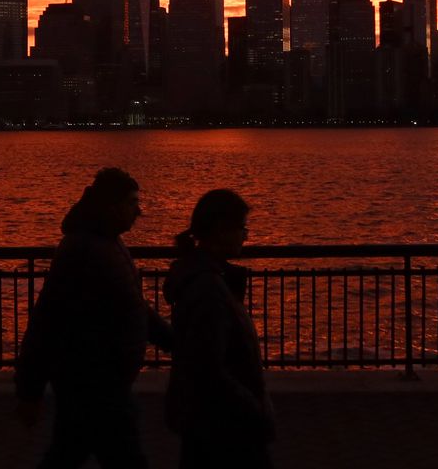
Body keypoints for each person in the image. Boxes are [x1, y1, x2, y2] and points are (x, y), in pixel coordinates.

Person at [15, 167, 173, 469]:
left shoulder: (106, 244)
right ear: (112, 206)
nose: (139, 211)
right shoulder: (86, 249)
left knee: (69, 452)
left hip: (97, 380)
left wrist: (170, 339)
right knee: (120, 457)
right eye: (132, 202)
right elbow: (48, 320)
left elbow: (131, 306)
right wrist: (29, 390)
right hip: (96, 382)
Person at [164, 189, 273, 469]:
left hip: (209, 420)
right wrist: (252, 406)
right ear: (221, 230)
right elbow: (208, 367)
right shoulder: (209, 289)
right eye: (241, 228)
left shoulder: (205, 280)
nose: (245, 236)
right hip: (223, 423)